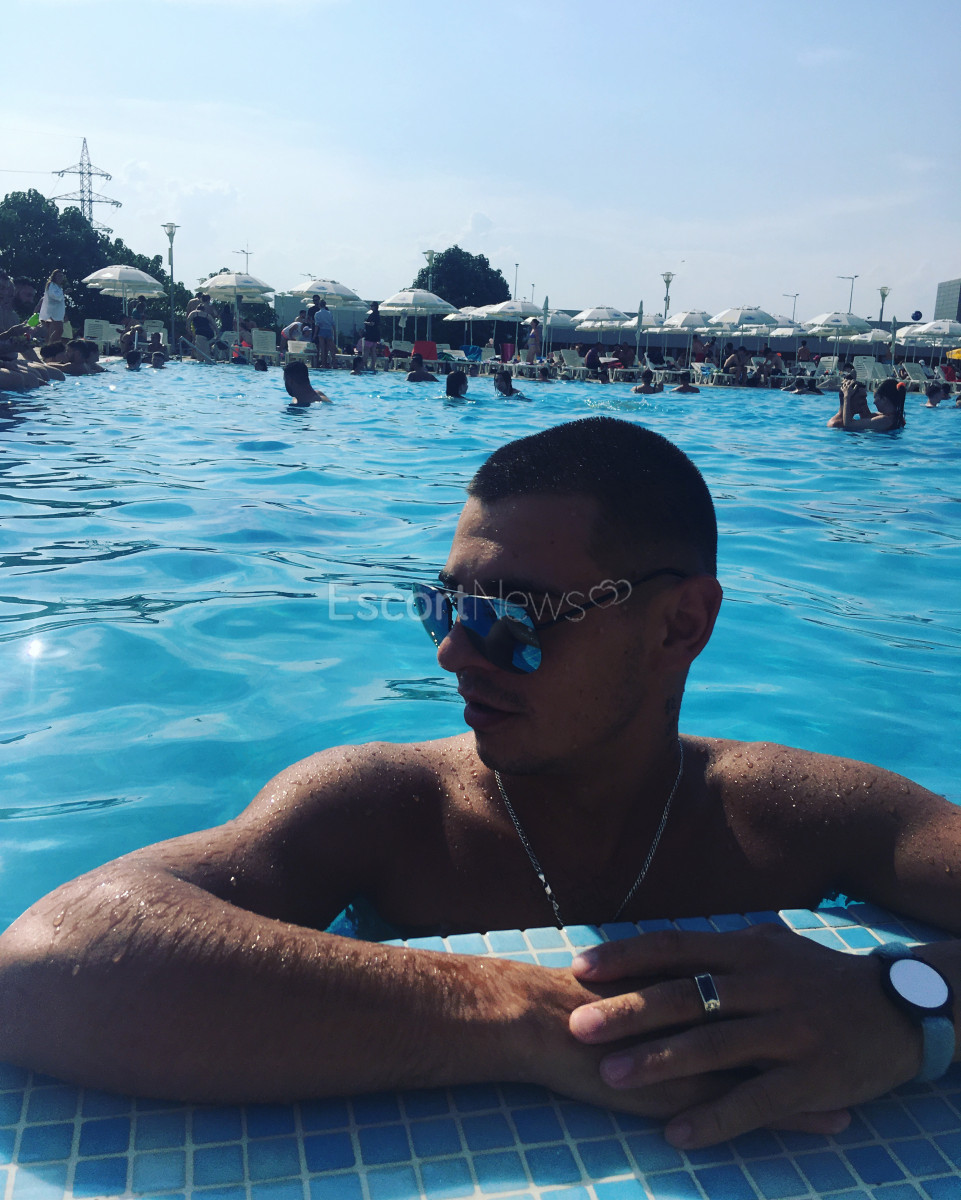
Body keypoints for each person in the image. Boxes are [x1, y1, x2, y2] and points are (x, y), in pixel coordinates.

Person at [1, 417, 958, 1153]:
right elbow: (48, 962)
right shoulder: (386, 806)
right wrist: (518, 1016)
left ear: (680, 625)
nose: (455, 653)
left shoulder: (790, 814)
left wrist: (907, 1003)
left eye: (510, 616)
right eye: (442, 607)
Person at [838, 377, 906, 432]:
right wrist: (862, 400)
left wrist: (846, 396)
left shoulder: (884, 420)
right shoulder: (896, 416)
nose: (874, 402)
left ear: (884, 399)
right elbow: (867, 417)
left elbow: (849, 424)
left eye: (875, 398)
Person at [38, 269, 66, 345]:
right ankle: (51, 345)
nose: (60, 278)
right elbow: (55, 296)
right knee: (59, 330)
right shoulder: (51, 285)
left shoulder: (58, 286)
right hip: (52, 311)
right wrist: (64, 292)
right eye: (58, 276)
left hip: (56, 311)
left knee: (53, 330)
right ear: (54, 277)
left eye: (61, 276)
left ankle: (50, 345)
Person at [313, 300, 337, 369]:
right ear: (325, 305)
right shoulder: (329, 313)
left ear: (319, 305)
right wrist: (335, 333)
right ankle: (334, 364)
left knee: (322, 349)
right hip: (329, 330)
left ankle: (323, 364)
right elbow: (333, 324)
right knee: (331, 349)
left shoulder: (317, 313)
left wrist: (315, 334)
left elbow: (317, 325)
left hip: (322, 330)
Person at [362, 302, 380, 372]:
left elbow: (372, 323)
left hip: (370, 336)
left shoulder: (374, 315)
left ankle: (363, 365)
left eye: (372, 306)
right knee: (373, 351)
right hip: (375, 336)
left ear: (375, 307)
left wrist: (365, 322)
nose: (371, 307)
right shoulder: (378, 315)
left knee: (366, 350)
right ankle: (373, 366)